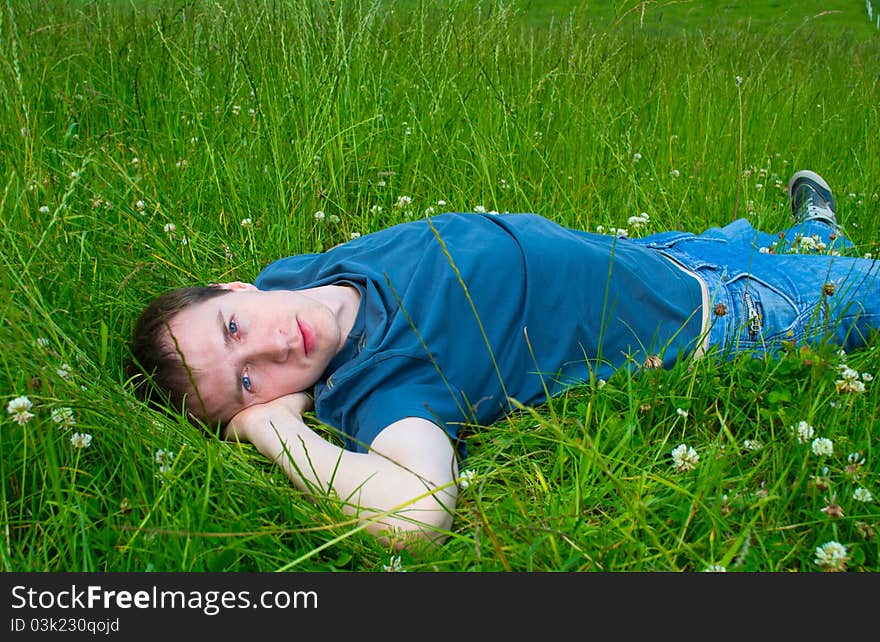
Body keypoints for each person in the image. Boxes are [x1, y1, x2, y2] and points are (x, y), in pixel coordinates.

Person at [128, 170, 880, 550]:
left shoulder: (292, 278)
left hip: (657, 255)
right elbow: (418, 514)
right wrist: (276, 433)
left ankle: (815, 234)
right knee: (855, 295)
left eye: (232, 327)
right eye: (249, 381)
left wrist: (249, 382)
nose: (266, 344)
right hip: (731, 316)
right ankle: (821, 250)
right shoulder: (377, 388)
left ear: (236, 287)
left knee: (762, 245)